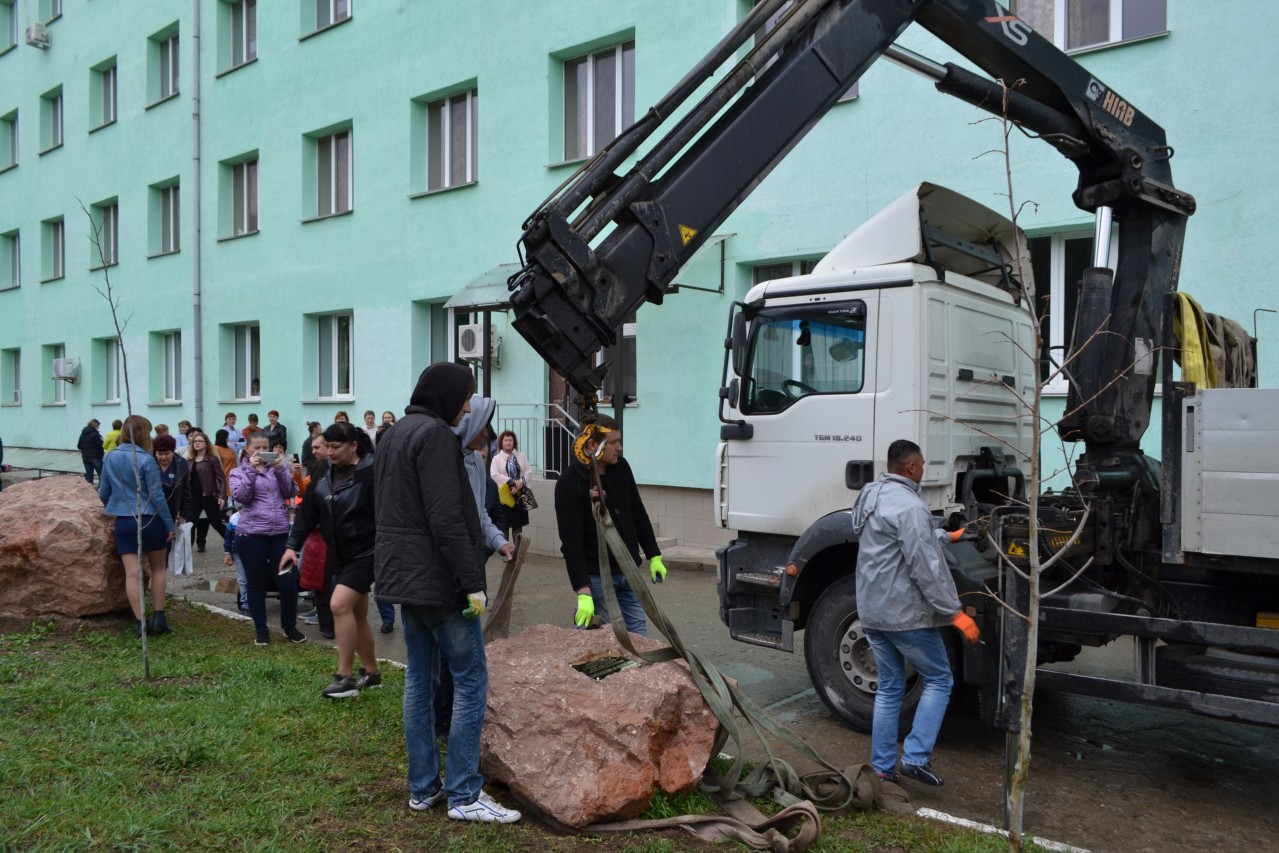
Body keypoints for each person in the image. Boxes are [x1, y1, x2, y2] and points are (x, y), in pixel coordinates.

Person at [374, 362, 521, 823]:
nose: (467, 407)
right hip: (440, 582)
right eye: (465, 396)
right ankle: (463, 793)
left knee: (419, 679)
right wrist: (472, 583)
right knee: (471, 681)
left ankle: (423, 789)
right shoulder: (436, 436)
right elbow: (447, 518)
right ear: (447, 395)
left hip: (404, 579)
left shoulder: (396, 433)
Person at [850, 438, 980, 787]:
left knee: (890, 688)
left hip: (873, 611)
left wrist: (946, 535)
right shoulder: (911, 507)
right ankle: (916, 758)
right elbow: (925, 568)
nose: (924, 470)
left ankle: (881, 767)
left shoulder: (871, 496)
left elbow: (891, 542)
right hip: (904, 616)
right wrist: (956, 614)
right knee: (940, 679)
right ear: (911, 468)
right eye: (922, 464)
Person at [282, 421, 382, 698]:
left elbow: (387, 513)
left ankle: (345, 677)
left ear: (353, 445)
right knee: (357, 615)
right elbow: (309, 512)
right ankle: (372, 673)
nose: (329, 452)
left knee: (338, 604)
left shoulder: (372, 470)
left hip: (368, 552)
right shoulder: (324, 469)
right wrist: (293, 545)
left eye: (335, 447)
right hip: (340, 553)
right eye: (327, 447)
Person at [555, 415, 666, 637]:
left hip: (628, 573)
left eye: (619, 441)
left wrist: (654, 555)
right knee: (603, 645)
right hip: (597, 580)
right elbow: (571, 544)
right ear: (593, 445)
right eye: (614, 442)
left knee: (640, 638)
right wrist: (583, 592)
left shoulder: (621, 468)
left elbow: (638, 513)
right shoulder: (569, 484)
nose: (620, 448)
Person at [98, 415, 175, 638]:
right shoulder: (147, 460)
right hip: (150, 519)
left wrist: (115, 504)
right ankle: (159, 617)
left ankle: (141, 623)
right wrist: (169, 524)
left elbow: (103, 492)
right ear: (144, 434)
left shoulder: (109, 457)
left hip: (124, 520)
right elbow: (157, 496)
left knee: (132, 573)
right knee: (158, 568)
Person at [230, 431, 304, 646]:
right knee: (255, 583)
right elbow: (241, 496)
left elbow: (291, 491)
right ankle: (261, 630)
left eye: (265, 448)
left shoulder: (277, 469)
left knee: (287, 581)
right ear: (247, 449)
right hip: (251, 536)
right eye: (257, 448)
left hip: (280, 534)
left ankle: (289, 626)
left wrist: (282, 469)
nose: (262, 452)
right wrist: (252, 471)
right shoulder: (238, 472)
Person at [187, 431, 228, 553]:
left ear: (206, 444)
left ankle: (234, 543)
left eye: (200, 441)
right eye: (195, 441)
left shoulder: (212, 459)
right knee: (190, 526)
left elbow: (221, 479)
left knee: (217, 524)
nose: (197, 443)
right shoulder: (189, 460)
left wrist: (222, 496)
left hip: (209, 496)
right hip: (193, 498)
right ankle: (186, 555)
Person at [489, 430, 532, 545]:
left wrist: (520, 484)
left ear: (514, 442)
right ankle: (507, 554)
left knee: (518, 526)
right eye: (505, 440)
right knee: (504, 526)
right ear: (501, 443)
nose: (508, 442)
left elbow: (529, 472)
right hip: (504, 498)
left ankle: (518, 554)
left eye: (510, 440)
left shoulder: (521, 456)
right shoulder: (496, 459)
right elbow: (494, 474)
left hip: (519, 496)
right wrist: (512, 483)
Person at [152, 435, 190, 538]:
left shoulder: (181, 463)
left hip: (172, 509)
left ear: (173, 452)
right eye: (160, 454)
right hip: (152, 510)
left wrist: (183, 514)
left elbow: (186, 490)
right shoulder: (149, 462)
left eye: (167, 453)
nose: (163, 457)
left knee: (168, 542)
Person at [78, 419, 104, 484]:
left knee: (89, 475)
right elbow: (100, 445)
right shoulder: (95, 434)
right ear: (95, 425)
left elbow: (79, 446)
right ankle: (101, 491)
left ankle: (89, 491)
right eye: (98, 425)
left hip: (85, 458)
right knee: (101, 474)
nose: (98, 427)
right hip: (96, 458)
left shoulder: (82, 434)